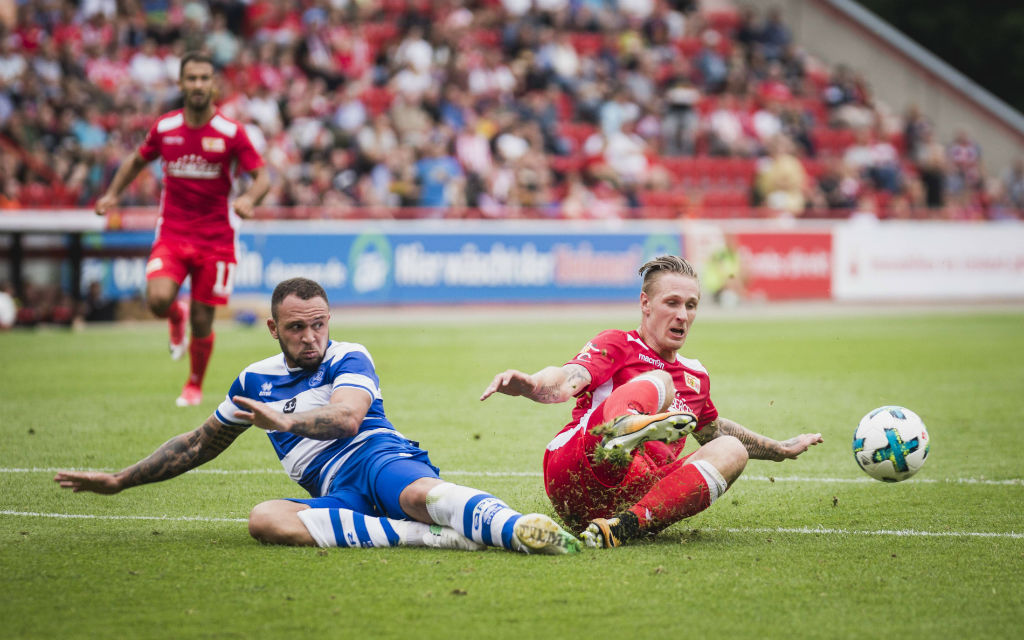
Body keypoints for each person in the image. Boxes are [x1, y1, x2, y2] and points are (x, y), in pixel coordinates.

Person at [55, 278, 581, 555]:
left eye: (319, 325)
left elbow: (348, 419)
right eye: (297, 328)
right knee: (265, 520)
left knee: (421, 495)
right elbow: (198, 443)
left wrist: (284, 424)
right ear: (273, 328)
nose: (311, 338)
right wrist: (120, 480)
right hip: (335, 488)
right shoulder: (253, 381)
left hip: (377, 458)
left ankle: (519, 530)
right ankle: (431, 536)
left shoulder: (349, 355)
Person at [480, 255, 823, 548]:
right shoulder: (618, 344)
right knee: (660, 383)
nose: (683, 315)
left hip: (629, 495)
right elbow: (567, 379)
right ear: (645, 303)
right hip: (578, 468)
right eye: (672, 303)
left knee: (733, 449)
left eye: (691, 306)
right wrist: (530, 384)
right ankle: (620, 432)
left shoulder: (696, 377)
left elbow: (712, 432)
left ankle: (625, 527)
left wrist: (778, 450)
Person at [94, 51, 270, 407]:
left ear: (215, 85)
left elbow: (262, 177)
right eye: (192, 78)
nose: (199, 85)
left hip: (217, 238)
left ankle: (193, 385)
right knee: (157, 299)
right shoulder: (165, 128)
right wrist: (112, 193)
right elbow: (135, 160)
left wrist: (250, 199)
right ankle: (176, 314)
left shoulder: (231, 133)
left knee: (204, 321)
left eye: (205, 78)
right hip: (173, 233)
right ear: (181, 84)